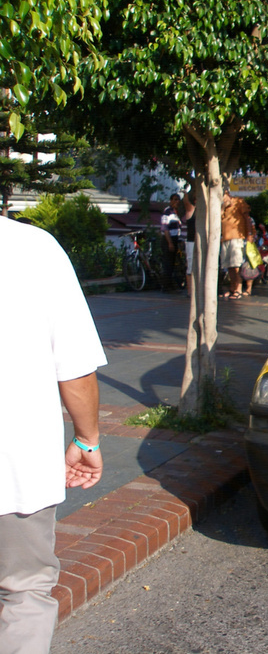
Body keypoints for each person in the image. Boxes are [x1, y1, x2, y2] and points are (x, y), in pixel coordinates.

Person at [0, 215, 107, 654]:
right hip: (16, 468)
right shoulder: (35, 248)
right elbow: (76, 368)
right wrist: (87, 440)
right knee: (24, 593)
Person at [220, 190, 253, 299]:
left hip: (237, 238)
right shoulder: (221, 206)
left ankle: (239, 289)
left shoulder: (238, 201)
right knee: (229, 265)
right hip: (225, 239)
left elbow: (247, 218)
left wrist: (249, 234)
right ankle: (232, 288)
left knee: (236, 265)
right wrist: (223, 207)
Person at [160, 193, 183, 291]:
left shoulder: (176, 213)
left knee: (173, 262)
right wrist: (170, 242)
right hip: (168, 239)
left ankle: (170, 283)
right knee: (168, 263)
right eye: (174, 199)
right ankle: (166, 286)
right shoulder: (167, 212)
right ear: (170, 200)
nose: (176, 202)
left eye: (178, 200)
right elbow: (165, 228)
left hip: (175, 238)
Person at [182, 190, 196, 297]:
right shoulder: (192, 210)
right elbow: (187, 204)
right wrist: (185, 194)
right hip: (192, 241)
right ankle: (190, 291)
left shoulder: (208, 211)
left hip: (203, 242)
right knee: (191, 266)